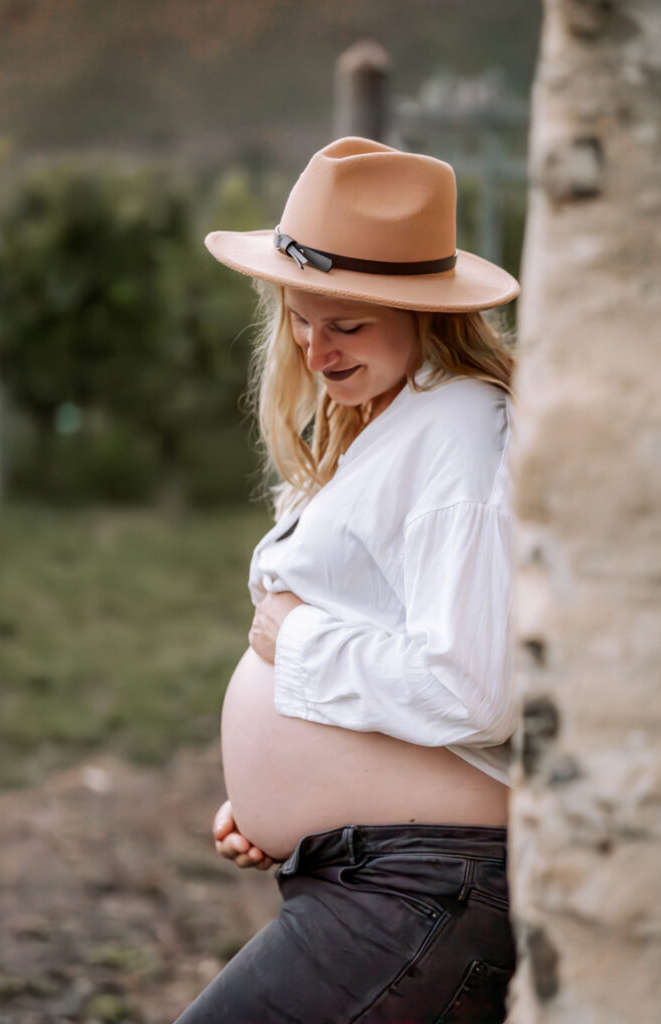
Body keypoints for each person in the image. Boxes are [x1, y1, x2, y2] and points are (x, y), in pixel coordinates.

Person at [174, 136, 521, 1024]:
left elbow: (474, 691)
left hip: (426, 888)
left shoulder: (456, 434)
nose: (315, 349)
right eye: (299, 315)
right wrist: (283, 801)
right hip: (386, 873)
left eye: (346, 324)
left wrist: (295, 647)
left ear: (424, 313)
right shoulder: (389, 422)